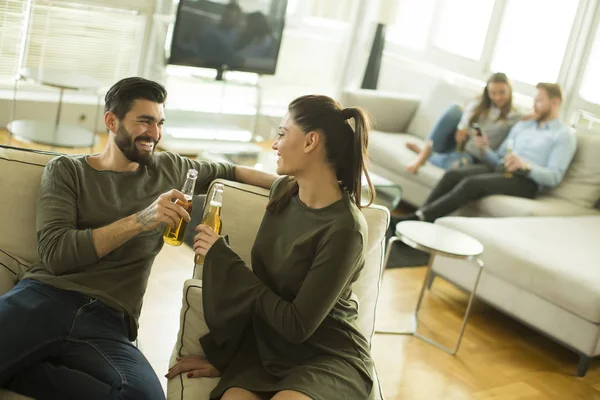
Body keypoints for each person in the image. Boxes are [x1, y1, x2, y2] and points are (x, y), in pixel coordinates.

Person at [0, 77, 277, 399]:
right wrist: (142, 219)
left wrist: (292, 186)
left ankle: (21, 370)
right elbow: (57, 255)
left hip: (108, 320)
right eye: (144, 121)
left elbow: (231, 172)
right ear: (111, 121)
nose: (154, 134)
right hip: (44, 298)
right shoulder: (67, 171)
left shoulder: (170, 168)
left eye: (159, 123)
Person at [167, 95, 376, 399]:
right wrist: (226, 357)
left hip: (326, 356)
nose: (274, 144)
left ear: (310, 141)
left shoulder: (345, 230)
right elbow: (236, 172)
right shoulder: (283, 192)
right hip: (268, 350)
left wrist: (223, 259)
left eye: (281, 133)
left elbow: (296, 325)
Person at [393, 82, 576, 226]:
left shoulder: (563, 135)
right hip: (500, 168)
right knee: (453, 175)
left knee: (471, 184)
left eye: (539, 101)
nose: (534, 105)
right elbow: (498, 157)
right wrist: (484, 148)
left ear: (555, 102)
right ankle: (420, 218)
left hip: (526, 181)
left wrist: (526, 166)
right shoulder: (524, 125)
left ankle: (416, 220)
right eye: (534, 100)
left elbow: (554, 176)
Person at [405, 72, 522, 174]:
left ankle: (427, 155)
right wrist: (463, 127)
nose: (497, 97)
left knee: (459, 164)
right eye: (493, 93)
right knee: (454, 110)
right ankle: (423, 155)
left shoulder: (514, 115)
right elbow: (464, 111)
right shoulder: (480, 104)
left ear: (510, 91)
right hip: (458, 146)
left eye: (502, 92)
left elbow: (531, 118)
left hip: (472, 157)